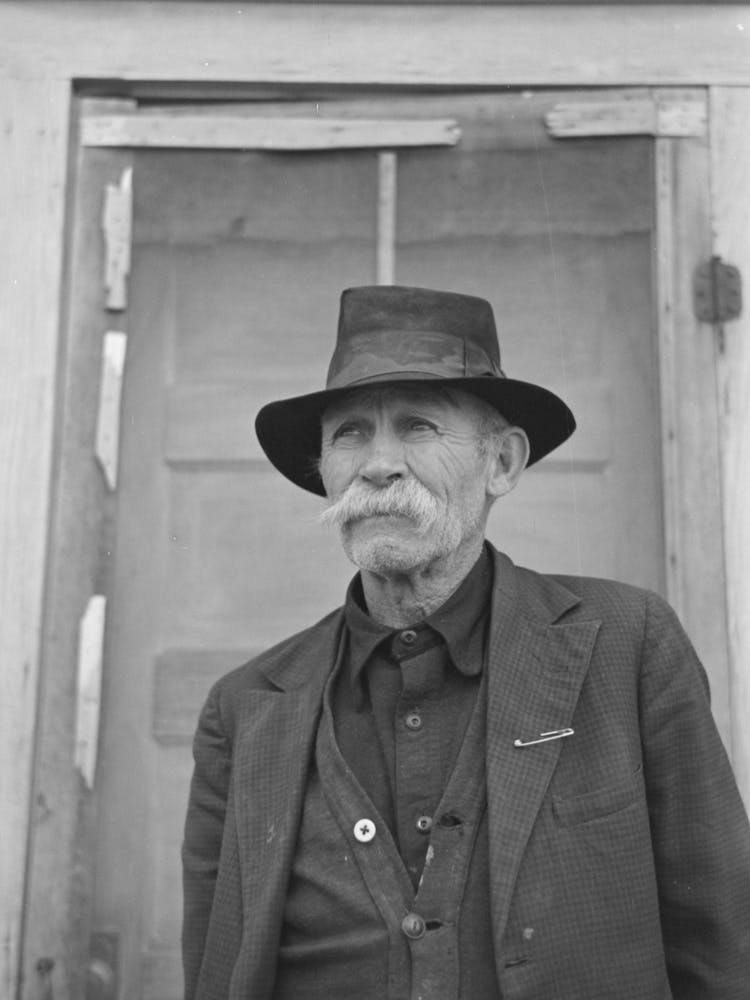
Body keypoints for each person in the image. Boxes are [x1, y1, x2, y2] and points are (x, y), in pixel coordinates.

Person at [182, 285, 750, 1000]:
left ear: (503, 464)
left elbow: (724, 942)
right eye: (350, 433)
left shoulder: (626, 646)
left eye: (418, 426)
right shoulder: (244, 710)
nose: (377, 464)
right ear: (321, 470)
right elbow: (216, 969)